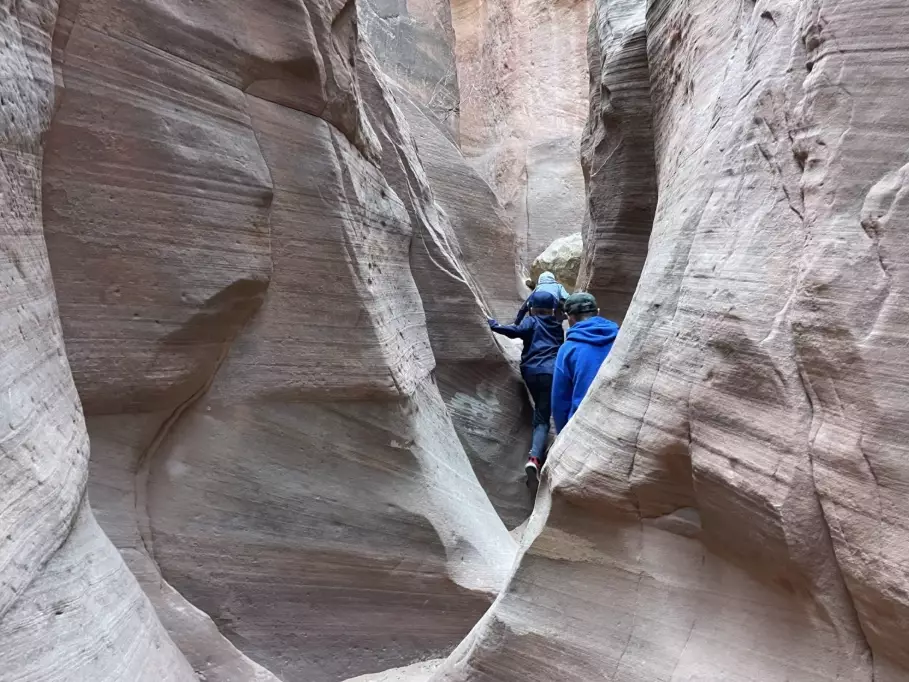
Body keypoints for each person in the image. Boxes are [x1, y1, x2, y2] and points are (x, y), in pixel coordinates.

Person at [488, 290, 564, 483]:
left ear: (532, 309)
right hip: (552, 372)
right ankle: (543, 455)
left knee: (540, 411)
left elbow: (515, 332)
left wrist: (494, 326)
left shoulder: (531, 322)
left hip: (531, 371)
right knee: (546, 413)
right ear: (552, 309)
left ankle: (534, 458)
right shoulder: (557, 326)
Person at [552, 292, 619, 434]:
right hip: (618, 422)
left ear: (569, 317)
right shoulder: (620, 338)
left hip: (582, 426)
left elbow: (560, 400)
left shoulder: (568, 350)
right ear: (598, 312)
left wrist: (561, 434)